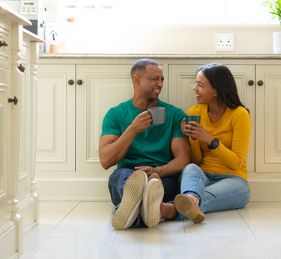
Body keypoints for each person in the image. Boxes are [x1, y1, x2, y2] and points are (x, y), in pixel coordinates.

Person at [99, 59, 190, 230]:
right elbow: (105, 160)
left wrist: (157, 171)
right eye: (155, 79)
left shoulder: (175, 114)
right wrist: (133, 129)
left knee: (159, 186)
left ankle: (129, 213)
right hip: (129, 172)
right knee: (119, 178)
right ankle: (146, 210)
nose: (160, 84)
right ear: (137, 79)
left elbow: (183, 159)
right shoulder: (116, 114)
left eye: (162, 79)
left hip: (161, 173)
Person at [160, 63, 251, 223]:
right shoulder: (194, 113)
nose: (194, 88)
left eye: (200, 85)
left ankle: (164, 209)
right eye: (196, 83)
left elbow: (236, 163)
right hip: (201, 177)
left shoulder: (239, 114)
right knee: (190, 168)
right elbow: (196, 161)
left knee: (202, 197)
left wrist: (209, 139)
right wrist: (192, 138)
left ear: (216, 90)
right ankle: (188, 200)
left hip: (233, 180)